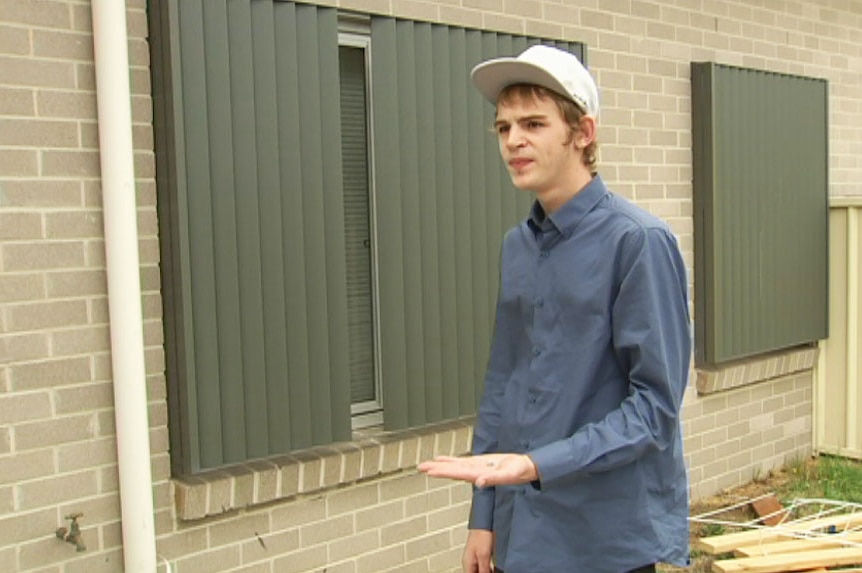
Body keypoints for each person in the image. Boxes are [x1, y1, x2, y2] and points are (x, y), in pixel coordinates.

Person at [418, 45, 692, 573]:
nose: (513, 141)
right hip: (526, 534)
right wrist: (485, 514)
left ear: (582, 133)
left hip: (604, 540)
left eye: (534, 124)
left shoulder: (638, 243)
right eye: (503, 128)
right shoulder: (517, 246)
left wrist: (535, 464)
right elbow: (505, 384)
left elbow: (655, 409)